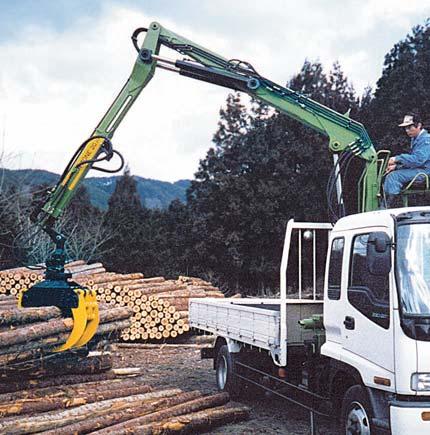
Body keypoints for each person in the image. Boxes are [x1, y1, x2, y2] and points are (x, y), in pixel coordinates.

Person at [384, 113, 430, 207]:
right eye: (405, 128)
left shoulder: (426, 140)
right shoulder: (416, 139)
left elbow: (418, 160)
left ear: (419, 125)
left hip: (425, 172)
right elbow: (413, 162)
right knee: (389, 175)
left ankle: (390, 207)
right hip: (420, 169)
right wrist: (396, 167)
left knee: (393, 177)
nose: (407, 131)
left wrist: (397, 158)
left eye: (410, 127)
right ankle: (388, 203)